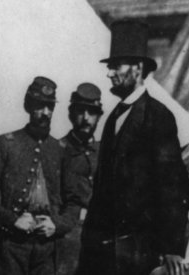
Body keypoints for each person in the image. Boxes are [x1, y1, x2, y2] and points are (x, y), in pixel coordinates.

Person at [76, 20, 189, 275]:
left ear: (138, 68)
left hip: (140, 254)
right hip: (102, 254)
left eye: (116, 66)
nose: (109, 73)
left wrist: (172, 248)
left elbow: (173, 186)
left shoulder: (158, 116)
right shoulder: (111, 118)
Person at [0, 76, 79, 275]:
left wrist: (57, 225)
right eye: (39, 106)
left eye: (49, 107)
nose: (45, 113)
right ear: (28, 106)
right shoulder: (7, 143)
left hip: (47, 252)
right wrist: (12, 220)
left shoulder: (61, 150)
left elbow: (74, 202)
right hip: (11, 248)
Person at [57, 83, 103, 275]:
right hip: (68, 242)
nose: (86, 118)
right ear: (70, 114)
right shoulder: (57, 150)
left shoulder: (107, 152)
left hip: (101, 237)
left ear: (99, 116)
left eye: (92, 112)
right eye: (80, 111)